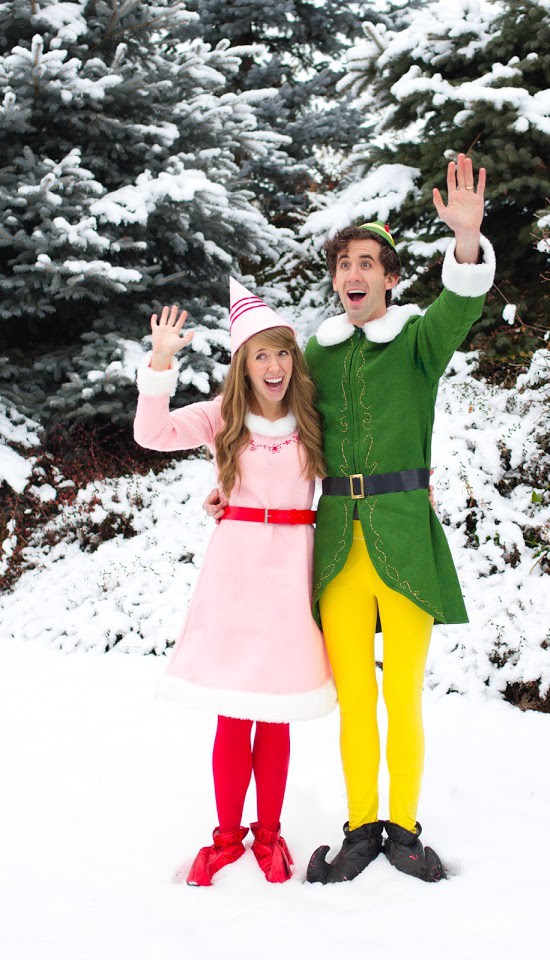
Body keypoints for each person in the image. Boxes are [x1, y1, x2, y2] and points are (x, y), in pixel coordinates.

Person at [205, 153, 495, 884]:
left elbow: (460, 308)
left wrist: (465, 242)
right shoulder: (315, 361)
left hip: (401, 534)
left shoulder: (419, 343)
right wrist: (230, 487)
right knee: (354, 702)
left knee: (402, 696)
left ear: (391, 278)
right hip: (333, 544)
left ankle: (404, 829)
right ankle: (361, 826)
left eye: (368, 264)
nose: (354, 275)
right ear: (334, 280)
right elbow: (268, 420)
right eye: (344, 266)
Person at [133, 278, 335, 886]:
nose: (273, 366)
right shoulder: (223, 416)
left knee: (274, 714)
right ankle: (225, 837)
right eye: (259, 354)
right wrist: (162, 363)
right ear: (243, 365)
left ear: (293, 360)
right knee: (232, 714)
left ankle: (268, 836)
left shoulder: (312, 417)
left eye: (281, 353)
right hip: (236, 574)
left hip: (292, 576)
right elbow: (152, 434)